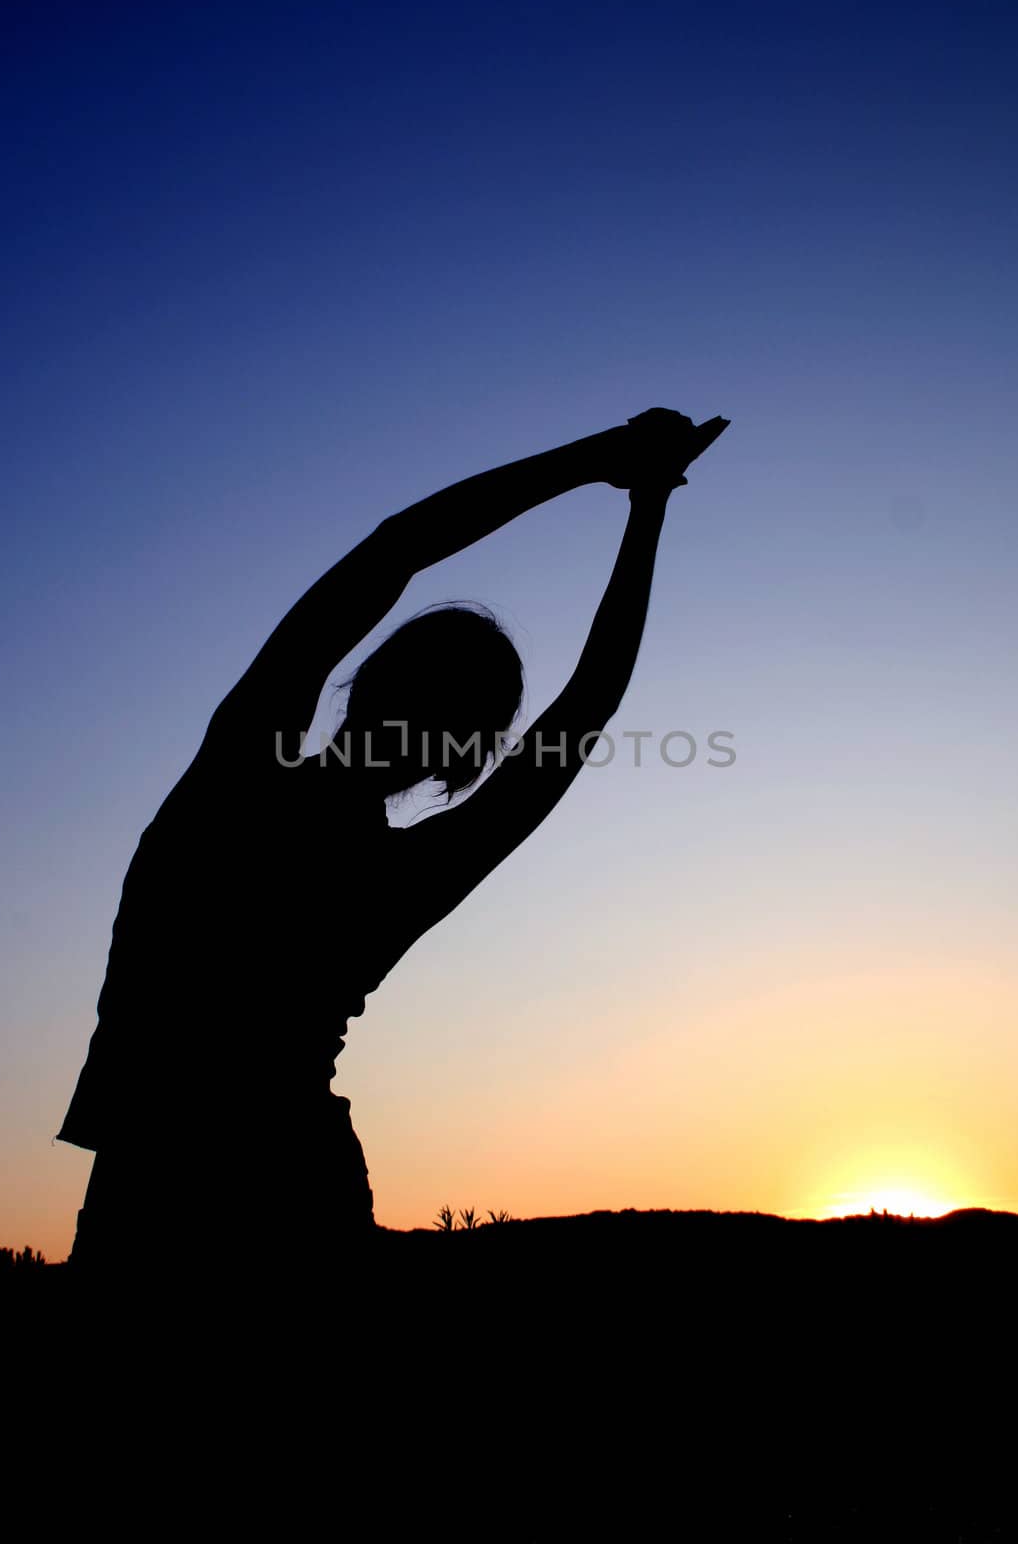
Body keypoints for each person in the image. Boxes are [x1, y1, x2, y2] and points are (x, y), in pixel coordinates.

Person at [57, 406, 728, 1290]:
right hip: (286, 1187)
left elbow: (395, 550)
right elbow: (584, 704)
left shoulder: (236, 776)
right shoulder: (394, 871)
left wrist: (601, 464)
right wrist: (643, 502)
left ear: (367, 679)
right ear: (464, 760)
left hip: (166, 1185)